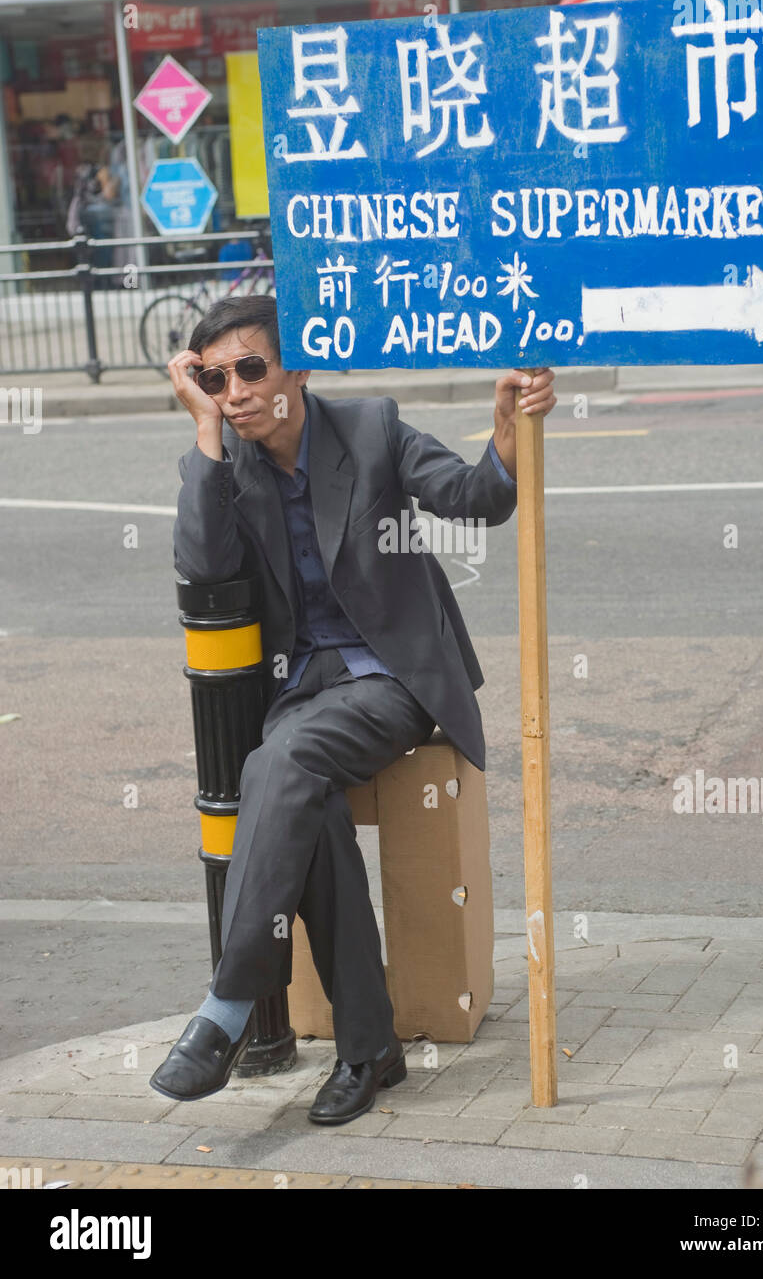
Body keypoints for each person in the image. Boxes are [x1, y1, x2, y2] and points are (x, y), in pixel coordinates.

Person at [150, 294, 556, 1125]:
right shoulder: (235, 464)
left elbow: (476, 497)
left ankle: (227, 1005)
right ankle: (370, 1050)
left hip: (393, 679)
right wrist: (204, 439)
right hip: (304, 692)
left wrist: (508, 429)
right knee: (305, 803)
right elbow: (202, 567)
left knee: (281, 765)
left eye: (251, 369)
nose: (236, 391)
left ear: (294, 365)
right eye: (215, 378)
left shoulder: (370, 430)